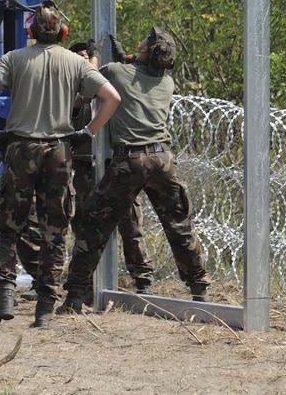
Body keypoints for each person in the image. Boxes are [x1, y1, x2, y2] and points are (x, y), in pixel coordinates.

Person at [0, 0, 120, 327]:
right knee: (56, 227)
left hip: (21, 148)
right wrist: (89, 132)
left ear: (30, 31)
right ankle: (45, 306)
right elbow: (112, 97)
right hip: (59, 150)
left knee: (8, 224)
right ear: (64, 33)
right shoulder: (76, 64)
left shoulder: (14, 59)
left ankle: (3, 296)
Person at [61, 27, 210, 313]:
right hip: (163, 160)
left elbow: (91, 77)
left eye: (144, 40)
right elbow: (139, 76)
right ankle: (199, 288)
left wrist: (93, 55)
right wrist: (129, 60)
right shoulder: (167, 81)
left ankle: (75, 294)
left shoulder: (116, 72)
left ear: (144, 51)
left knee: (94, 224)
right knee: (180, 226)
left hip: (130, 160)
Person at [64, 39, 154, 294]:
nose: (83, 57)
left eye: (86, 54)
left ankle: (142, 279)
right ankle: (86, 283)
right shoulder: (72, 87)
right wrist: (91, 60)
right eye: (78, 55)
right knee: (85, 226)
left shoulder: (112, 81)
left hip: (117, 165)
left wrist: (123, 60)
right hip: (85, 167)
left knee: (131, 223)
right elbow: (79, 100)